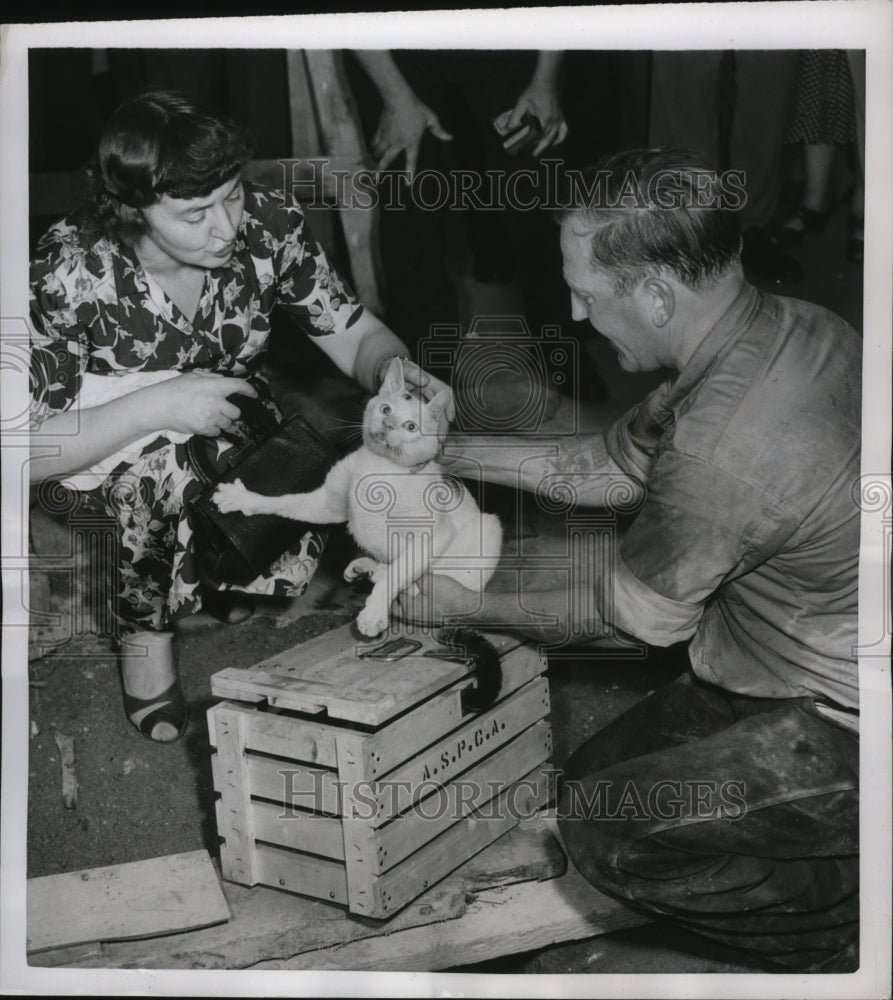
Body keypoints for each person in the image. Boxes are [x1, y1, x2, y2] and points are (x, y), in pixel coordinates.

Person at [395, 149, 861, 972]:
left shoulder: (726, 445)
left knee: (606, 831)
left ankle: (847, 940)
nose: (575, 315)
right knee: (590, 780)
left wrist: (450, 596)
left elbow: (628, 615)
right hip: (783, 657)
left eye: (585, 293)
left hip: (848, 722)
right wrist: (442, 452)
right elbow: (608, 468)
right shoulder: (784, 329)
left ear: (654, 294)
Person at [29, 88, 449, 744]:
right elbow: (28, 449)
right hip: (100, 440)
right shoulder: (72, 266)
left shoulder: (267, 222)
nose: (225, 227)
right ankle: (145, 632)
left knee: (341, 450)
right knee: (152, 482)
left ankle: (222, 562)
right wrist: (160, 403)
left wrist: (393, 373)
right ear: (130, 209)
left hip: (226, 415)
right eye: (195, 214)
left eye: (230, 197)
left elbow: (354, 333)